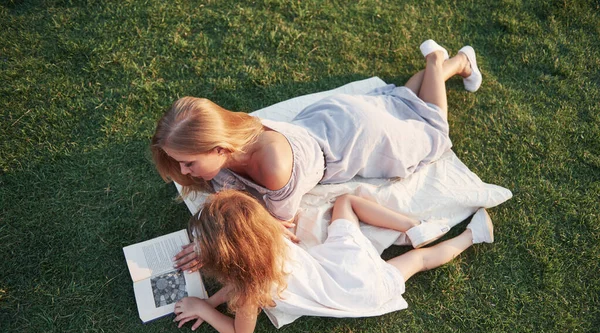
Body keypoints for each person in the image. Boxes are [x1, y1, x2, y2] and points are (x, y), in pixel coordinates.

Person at [155, 39, 482, 270]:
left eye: (189, 163)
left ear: (219, 148)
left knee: (434, 133)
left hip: (358, 138)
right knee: (403, 102)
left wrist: (211, 245)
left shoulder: (273, 167)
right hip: (331, 118)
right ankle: (460, 62)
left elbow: (275, 226)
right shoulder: (232, 132)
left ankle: (435, 60)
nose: (184, 171)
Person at [173, 190, 494, 333]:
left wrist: (203, 309)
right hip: (344, 265)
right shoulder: (268, 239)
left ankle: (472, 235)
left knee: (419, 262)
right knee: (346, 203)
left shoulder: (248, 290)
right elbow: (239, 278)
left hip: (362, 291)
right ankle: (414, 227)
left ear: (231, 263)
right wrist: (210, 301)